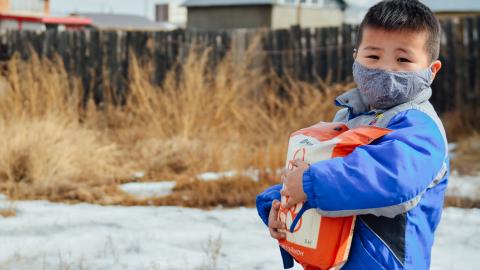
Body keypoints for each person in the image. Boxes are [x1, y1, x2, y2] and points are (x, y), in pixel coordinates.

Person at [256, 0, 449, 269]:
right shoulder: (349, 119)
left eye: (403, 59)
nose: (385, 69)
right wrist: (282, 200)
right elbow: (330, 176)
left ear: (432, 70)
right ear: (356, 57)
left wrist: (310, 184)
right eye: (373, 57)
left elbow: (393, 179)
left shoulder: (418, 127)